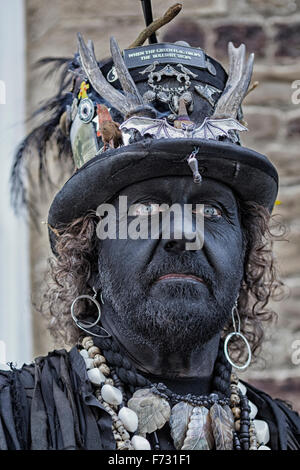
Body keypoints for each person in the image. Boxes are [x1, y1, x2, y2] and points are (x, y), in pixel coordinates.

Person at [1, 3, 300, 451]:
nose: (184, 232)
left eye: (212, 210)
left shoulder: (286, 436)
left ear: (246, 251)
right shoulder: (14, 416)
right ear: (90, 252)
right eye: (144, 210)